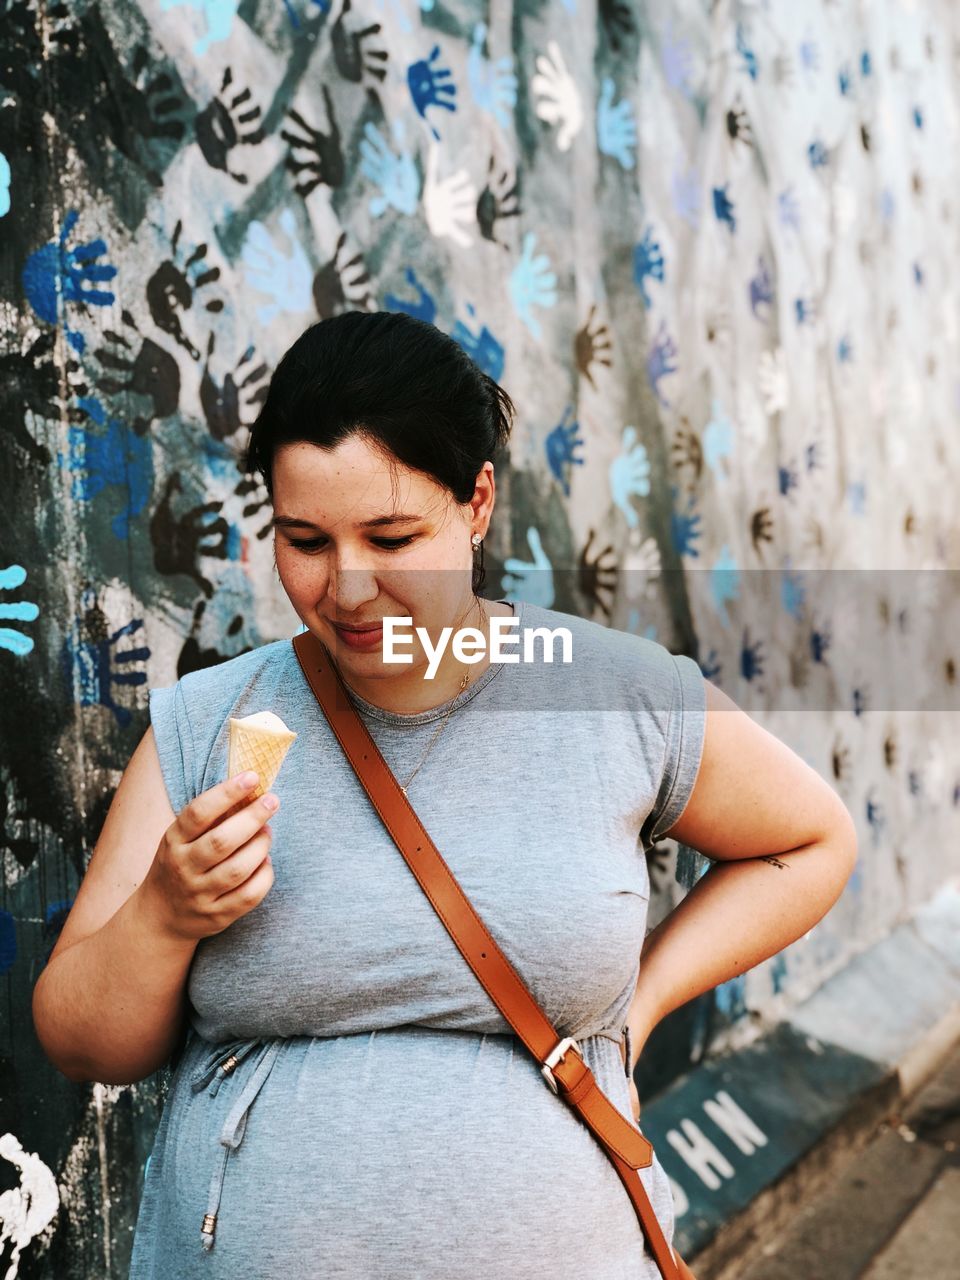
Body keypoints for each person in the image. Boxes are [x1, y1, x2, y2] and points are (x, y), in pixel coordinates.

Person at [32, 311, 858, 1278]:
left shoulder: (613, 694)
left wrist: (640, 1005)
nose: (347, 587)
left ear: (476, 503)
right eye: (305, 539)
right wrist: (166, 915)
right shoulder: (209, 724)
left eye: (392, 537)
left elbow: (809, 842)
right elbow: (81, 1043)